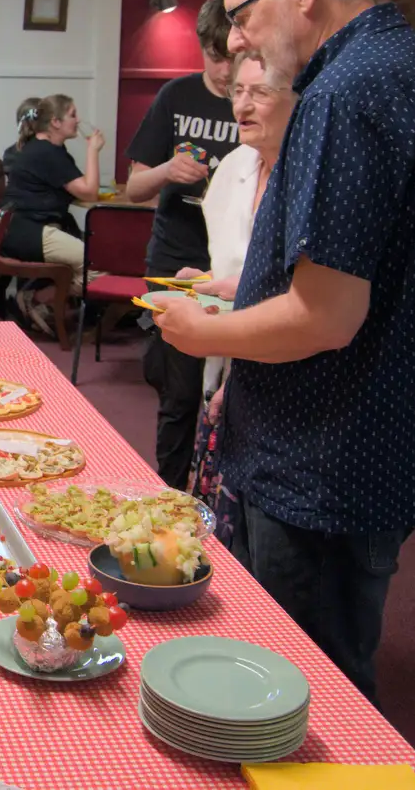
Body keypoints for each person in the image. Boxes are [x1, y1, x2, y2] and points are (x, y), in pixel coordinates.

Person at [157, 0, 415, 703]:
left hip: (326, 455)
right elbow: (380, 272)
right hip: (385, 440)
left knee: (303, 691)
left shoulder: (345, 90)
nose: (236, 38)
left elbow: (324, 316)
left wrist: (204, 335)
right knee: (337, 661)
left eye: (242, 14)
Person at [123, 0, 241, 489]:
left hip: (234, 261)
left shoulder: (261, 101)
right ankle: (168, 492)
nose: (221, 70)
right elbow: (133, 189)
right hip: (177, 256)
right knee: (178, 393)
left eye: (230, 57)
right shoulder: (175, 96)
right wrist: (169, 170)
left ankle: (218, 492)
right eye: (212, 57)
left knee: (229, 392)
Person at [181, 51, 296, 543]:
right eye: (238, 93)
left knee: (262, 539)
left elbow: (307, 293)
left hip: (281, 371)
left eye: (261, 93)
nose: (242, 107)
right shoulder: (234, 166)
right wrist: (207, 278)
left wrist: (240, 289)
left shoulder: (310, 175)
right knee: (218, 522)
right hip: (226, 360)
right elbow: (239, 261)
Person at [1, 95, 104, 334]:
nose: (78, 120)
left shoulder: (46, 149)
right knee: (98, 266)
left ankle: (36, 297)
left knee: (93, 261)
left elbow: (73, 187)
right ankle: (37, 296)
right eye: (73, 114)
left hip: (22, 228)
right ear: (56, 122)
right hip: (27, 231)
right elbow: (89, 192)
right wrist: (93, 150)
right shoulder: (47, 152)